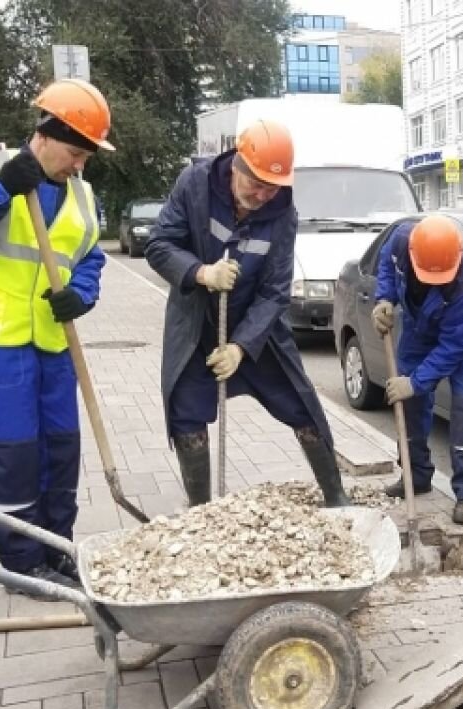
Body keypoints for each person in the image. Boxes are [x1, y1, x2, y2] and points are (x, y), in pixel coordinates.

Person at [0, 78, 114, 594]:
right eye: (76, 152)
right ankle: (20, 563)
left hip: (55, 348)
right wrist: (0, 191)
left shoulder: (82, 193)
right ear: (46, 135)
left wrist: (81, 291)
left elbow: (91, 257)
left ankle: (58, 550)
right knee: (16, 457)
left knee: (61, 454)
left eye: (86, 157)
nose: (79, 165)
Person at [145, 119, 348, 507]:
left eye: (272, 187)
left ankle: (337, 497)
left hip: (257, 330)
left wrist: (240, 347)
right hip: (197, 322)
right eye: (255, 183)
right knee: (185, 410)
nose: (262, 194)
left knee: (302, 402)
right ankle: (201, 510)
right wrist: (201, 272)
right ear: (236, 165)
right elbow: (159, 245)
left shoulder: (283, 214)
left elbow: (275, 291)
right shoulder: (195, 185)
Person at [371, 215, 463, 524]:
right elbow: (386, 265)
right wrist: (384, 299)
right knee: (409, 404)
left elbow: (451, 349)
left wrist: (416, 382)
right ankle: (416, 476)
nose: (431, 281)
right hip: (418, 329)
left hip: (462, 340)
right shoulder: (401, 240)